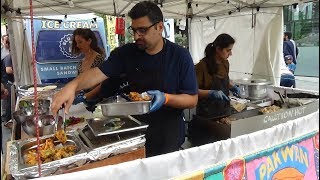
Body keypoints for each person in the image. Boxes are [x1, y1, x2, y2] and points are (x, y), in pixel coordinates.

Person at [51, 1, 198, 157]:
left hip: (168, 133)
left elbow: (191, 99)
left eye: (142, 30)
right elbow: (97, 73)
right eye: (133, 30)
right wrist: (72, 86)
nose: (136, 36)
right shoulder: (126, 53)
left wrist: (166, 98)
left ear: (159, 27)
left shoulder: (180, 56)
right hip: (133, 129)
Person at [188, 33, 239, 146]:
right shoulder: (201, 66)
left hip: (224, 112)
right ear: (218, 49)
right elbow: (192, 91)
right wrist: (211, 93)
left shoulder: (225, 63)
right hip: (207, 117)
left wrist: (232, 86)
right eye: (228, 50)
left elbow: (225, 80)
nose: (231, 53)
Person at [70, 28, 106, 105]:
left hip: (97, 102)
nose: (77, 45)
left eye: (80, 42)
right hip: (84, 102)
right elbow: (79, 85)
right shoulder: (81, 63)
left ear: (89, 41)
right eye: (76, 42)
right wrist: (70, 96)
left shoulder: (99, 59)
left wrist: (85, 97)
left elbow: (103, 84)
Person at [1, 34, 14, 128]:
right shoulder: (8, 56)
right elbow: (8, 70)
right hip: (6, 81)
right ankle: (7, 120)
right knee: (8, 100)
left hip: (6, 81)